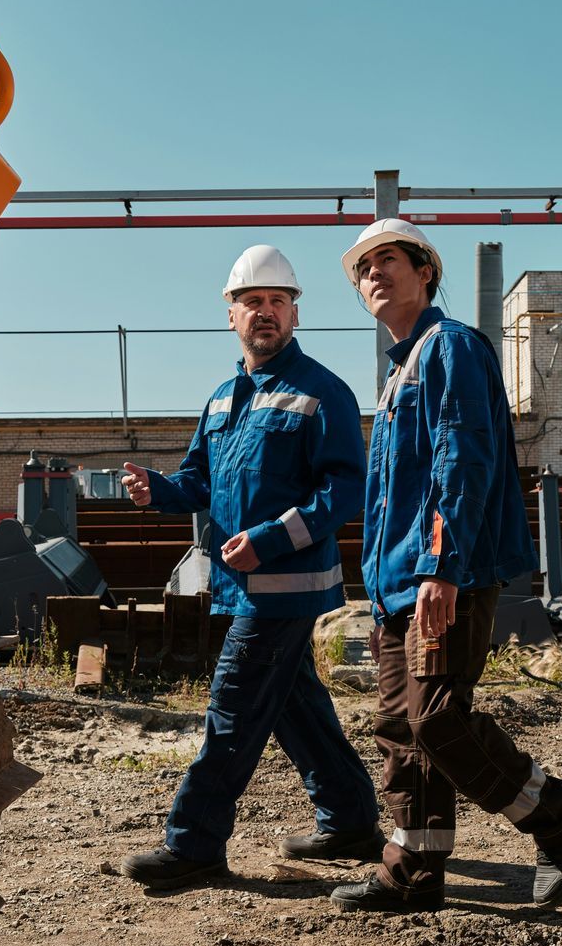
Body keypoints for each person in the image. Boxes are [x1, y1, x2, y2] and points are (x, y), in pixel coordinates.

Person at [328, 219, 562, 914]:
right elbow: (392, 497)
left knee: (438, 721)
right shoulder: (400, 370)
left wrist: (441, 566)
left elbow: (462, 458)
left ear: (425, 271)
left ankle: (560, 816)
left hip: (444, 579)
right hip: (401, 588)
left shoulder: (449, 347)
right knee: (400, 729)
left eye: (388, 260)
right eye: (363, 268)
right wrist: (386, 591)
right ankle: (414, 872)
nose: (373, 274)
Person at [118, 244, 383, 889]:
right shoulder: (222, 399)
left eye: (277, 301)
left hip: (286, 587)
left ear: (295, 313)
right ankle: (350, 821)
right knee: (295, 705)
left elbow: (345, 489)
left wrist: (268, 539)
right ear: (231, 315)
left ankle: (194, 843)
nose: (265, 311)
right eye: (252, 301)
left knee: (233, 708)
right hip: (240, 586)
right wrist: (159, 490)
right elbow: (199, 481)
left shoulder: (321, 391)